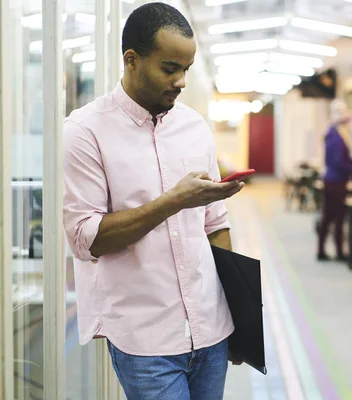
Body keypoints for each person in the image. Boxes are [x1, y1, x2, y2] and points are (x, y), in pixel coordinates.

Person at [62, 3, 244, 399]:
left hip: (211, 329)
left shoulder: (194, 127)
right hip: (146, 344)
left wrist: (239, 317)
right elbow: (86, 239)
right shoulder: (85, 131)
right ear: (132, 60)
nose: (180, 81)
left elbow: (216, 223)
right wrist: (173, 201)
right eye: (169, 68)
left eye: (186, 70)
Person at [317, 99, 352, 262]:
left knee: (328, 217)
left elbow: (343, 159)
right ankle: (338, 251)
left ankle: (323, 250)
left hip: (332, 180)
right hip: (336, 182)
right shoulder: (337, 137)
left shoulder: (332, 133)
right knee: (336, 218)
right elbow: (339, 162)